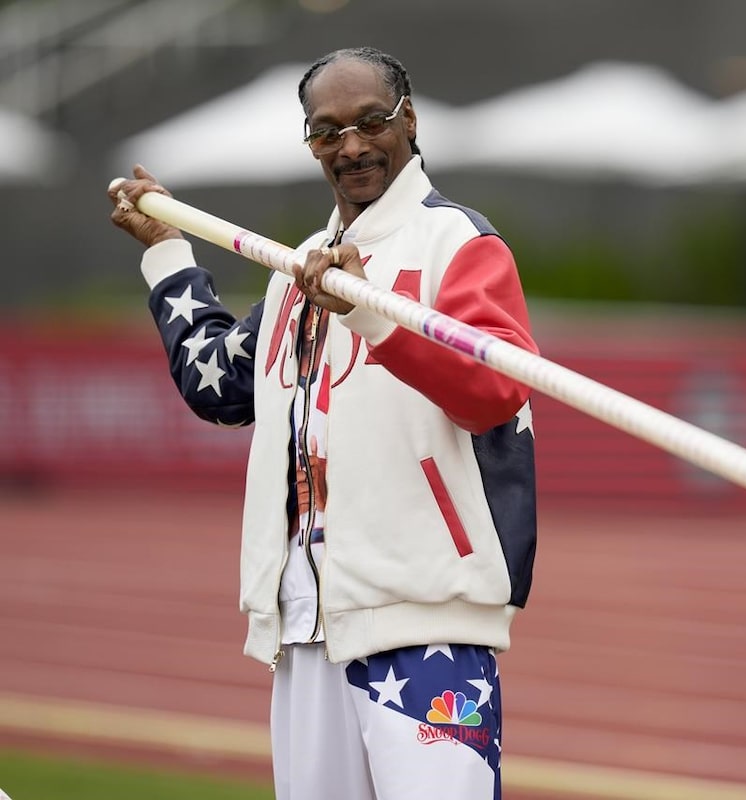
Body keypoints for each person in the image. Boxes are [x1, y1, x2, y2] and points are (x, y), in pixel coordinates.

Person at [108, 47, 538, 800]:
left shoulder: (458, 242)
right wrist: (168, 256)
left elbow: (496, 390)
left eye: (372, 121)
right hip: (305, 627)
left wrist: (372, 316)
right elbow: (220, 385)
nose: (352, 146)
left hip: (426, 628)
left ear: (410, 120)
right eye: (327, 131)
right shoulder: (298, 265)